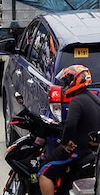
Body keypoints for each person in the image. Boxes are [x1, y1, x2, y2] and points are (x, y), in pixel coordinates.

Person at [39, 65, 100, 195]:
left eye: (67, 81)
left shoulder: (76, 101)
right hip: (91, 150)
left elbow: (71, 125)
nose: (65, 85)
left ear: (76, 81)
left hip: (78, 150)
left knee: (44, 172)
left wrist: (65, 142)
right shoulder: (94, 98)